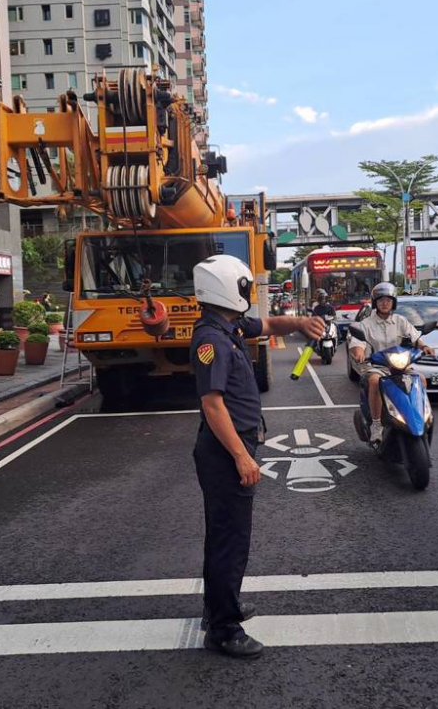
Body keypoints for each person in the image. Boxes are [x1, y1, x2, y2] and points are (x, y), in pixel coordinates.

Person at [190, 254, 324, 659]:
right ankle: (224, 630)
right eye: (245, 287)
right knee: (231, 540)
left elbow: (267, 325)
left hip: (232, 446)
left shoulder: (227, 325)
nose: (248, 294)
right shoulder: (211, 339)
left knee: (224, 536)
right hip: (225, 450)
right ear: (227, 288)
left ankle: (219, 608)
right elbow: (213, 405)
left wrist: (300, 323)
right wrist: (242, 458)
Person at [349, 282, 435, 447]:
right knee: (375, 381)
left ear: (393, 302)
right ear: (375, 303)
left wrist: (424, 347)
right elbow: (357, 342)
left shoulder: (401, 321)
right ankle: (376, 424)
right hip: (376, 366)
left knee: (421, 379)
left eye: (388, 300)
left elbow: (415, 337)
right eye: (381, 300)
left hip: (400, 365)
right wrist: (358, 352)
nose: (384, 303)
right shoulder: (366, 324)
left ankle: (422, 416)